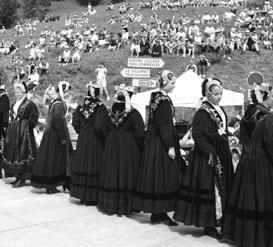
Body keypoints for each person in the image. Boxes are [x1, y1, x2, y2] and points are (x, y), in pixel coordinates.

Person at [173, 78, 234, 239]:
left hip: (221, 152)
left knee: (221, 186)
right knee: (212, 189)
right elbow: (198, 135)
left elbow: (221, 129)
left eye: (221, 94)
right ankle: (210, 224)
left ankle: (219, 221)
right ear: (208, 94)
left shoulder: (219, 109)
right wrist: (210, 151)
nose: (219, 97)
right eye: (215, 94)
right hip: (207, 156)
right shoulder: (202, 112)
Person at [222, 84, 273, 247]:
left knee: (245, 196)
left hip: (246, 162)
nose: (272, 98)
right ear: (264, 97)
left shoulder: (246, 115)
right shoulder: (268, 117)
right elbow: (270, 144)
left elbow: (243, 138)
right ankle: (258, 237)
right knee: (261, 198)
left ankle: (242, 236)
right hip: (262, 163)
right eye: (270, 95)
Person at [133, 70, 184, 226]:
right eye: (172, 83)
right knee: (164, 177)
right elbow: (164, 125)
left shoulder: (156, 97)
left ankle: (158, 213)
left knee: (157, 177)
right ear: (164, 83)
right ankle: (160, 213)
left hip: (154, 142)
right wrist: (170, 146)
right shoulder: (163, 101)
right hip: (161, 144)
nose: (174, 85)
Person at [97, 86, 145, 216]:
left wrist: (110, 139)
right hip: (128, 147)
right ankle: (126, 206)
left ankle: (110, 205)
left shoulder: (108, 112)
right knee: (126, 174)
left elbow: (101, 129)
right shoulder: (134, 113)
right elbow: (140, 133)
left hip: (111, 145)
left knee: (112, 173)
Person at [70, 81, 107, 205]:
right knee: (92, 164)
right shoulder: (101, 107)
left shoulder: (81, 106)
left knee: (82, 163)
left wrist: (81, 131)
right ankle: (91, 197)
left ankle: (81, 195)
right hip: (94, 139)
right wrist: (103, 139)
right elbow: (99, 127)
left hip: (83, 137)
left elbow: (74, 122)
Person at [31, 81, 72, 193]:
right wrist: (63, 137)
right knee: (55, 158)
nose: (69, 94)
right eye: (67, 92)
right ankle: (51, 185)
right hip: (55, 135)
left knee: (55, 158)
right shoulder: (58, 104)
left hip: (51, 134)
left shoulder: (56, 103)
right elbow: (58, 121)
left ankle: (59, 183)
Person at [3, 82, 38, 188]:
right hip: (14, 131)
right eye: (15, 92)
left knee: (24, 153)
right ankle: (17, 175)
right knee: (16, 153)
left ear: (23, 92)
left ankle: (23, 177)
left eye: (18, 92)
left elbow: (34, 117)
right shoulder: (15, 103)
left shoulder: (29, 104)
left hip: (24, 133)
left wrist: (26, 126)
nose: (16, 94)